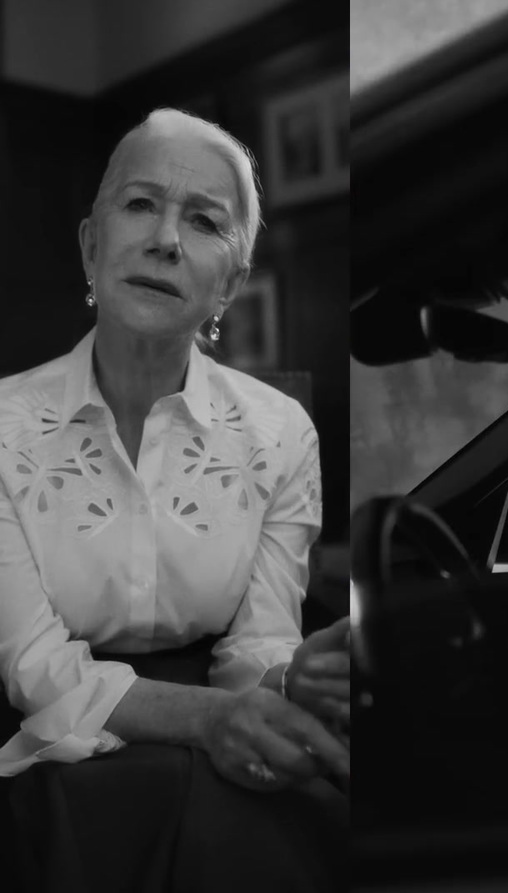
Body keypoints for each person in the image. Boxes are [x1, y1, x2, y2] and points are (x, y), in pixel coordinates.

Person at [0, 108, 348, 890]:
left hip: (225, 726)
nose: (165, 239)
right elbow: (36, 669)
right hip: (48, 740)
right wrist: (211, 721)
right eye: (139, 205)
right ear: (92, 247)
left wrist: (295, 681)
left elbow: (258, 646)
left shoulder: (281, 431)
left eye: (202, 221)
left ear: (229, 280)